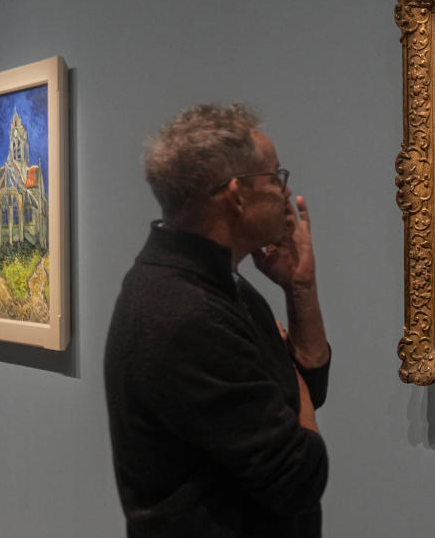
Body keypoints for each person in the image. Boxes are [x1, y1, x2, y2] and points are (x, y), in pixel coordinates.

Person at [104, 103, 330, 537]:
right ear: (236, 195)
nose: (286, 193)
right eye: (275, 177)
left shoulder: (221, 286)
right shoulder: (185, 312)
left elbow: (307, 391)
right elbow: (299, 476)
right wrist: (297, 385)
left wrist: (300, 288)